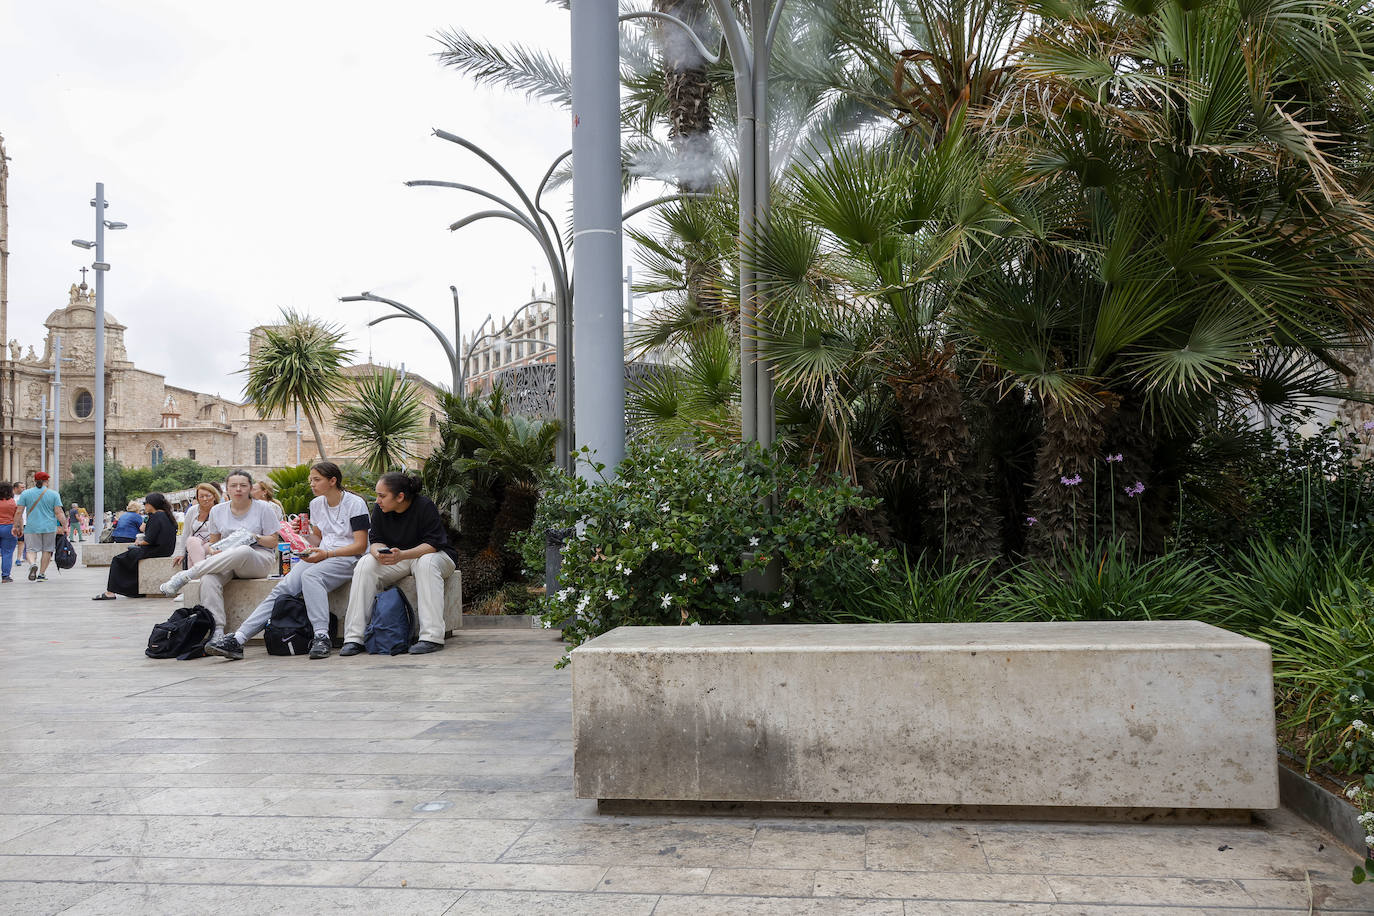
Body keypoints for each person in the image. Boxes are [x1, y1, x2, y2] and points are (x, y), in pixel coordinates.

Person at [206, 461, 370, 661]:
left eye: (317, 480)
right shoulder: (316, 504)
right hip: (321, 555)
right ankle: (239, 639)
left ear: (333, 481)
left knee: (311, 576)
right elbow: (318, 539)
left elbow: (360, 545)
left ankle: (321, 635)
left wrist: (325, 555)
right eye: (311, 480)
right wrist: (301, 535)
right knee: (283, 589)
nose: (312, 484)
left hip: (348, 557)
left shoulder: (355, 503)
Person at [339, 472, 457, 656]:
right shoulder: (380, 509)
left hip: (434, 555)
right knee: (365, 564)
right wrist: (378, 552)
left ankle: (431, 637)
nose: (377, 500)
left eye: (382, 495)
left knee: (425, 564)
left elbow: (434, 543)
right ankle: (355, 638)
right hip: (399, 557)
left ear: (400, 496)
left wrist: (403, 555)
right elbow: (375, 540)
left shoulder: (424, 506)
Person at [156, 470, 279, 638]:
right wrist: (213, 549)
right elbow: (213, 543)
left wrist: (254, 537)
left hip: (257, 559)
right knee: (208, 579)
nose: (238, 489)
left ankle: (188, 574)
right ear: (226, 489)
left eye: (243, 485)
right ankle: (217, 631)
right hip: (226, 560)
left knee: (243, 549)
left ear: (250, 488)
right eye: (233, 486)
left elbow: (273, 541)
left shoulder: (264, 508)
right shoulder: (218, 511)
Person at [94, 493, 177, 600]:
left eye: (145, 503)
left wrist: (138, 543)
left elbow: (148, 540)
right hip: (166, 550)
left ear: (151, 504)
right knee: (131, 559)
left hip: (155, 550)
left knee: (117, 560)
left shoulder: (155, 517)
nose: (144, 506)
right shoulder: (167, 515)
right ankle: (135, 590)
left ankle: (110, 592)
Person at [13, 471, 68, 581]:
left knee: (30, 550)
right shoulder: (54, 494)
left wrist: (15, 526)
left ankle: (33, 563)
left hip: (32, 527)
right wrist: (65, 526)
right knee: (47, 550)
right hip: (49, 527)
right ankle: (42, 574)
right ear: (46, 481)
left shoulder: (26, 494)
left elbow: (19, 511)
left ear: (34, 481)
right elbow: (59, 512)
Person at [172, 483, 220, 571]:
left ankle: (198, 572)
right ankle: (201, 570)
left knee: (192, 555)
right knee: (191, 541)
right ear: (197, 498)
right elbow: (185, 533)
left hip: (212, 544)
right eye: (201, 496)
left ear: (214, 496)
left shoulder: (220, 510)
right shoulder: (192, 511)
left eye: (208, 496)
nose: (205, 499)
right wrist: (181, 553)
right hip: (195, 543)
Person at [0, 483, 16, 583]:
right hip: (8, 528)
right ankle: (5, 576)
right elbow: (17, 516)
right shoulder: (12, 502)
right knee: (7, 553)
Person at [13, 481, 27, 565]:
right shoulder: (11, 498)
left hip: (24, 521)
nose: (24, 489)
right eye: (22, 487)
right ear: (15, 488)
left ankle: (19, 558)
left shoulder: (25, 497)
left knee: (21, 541)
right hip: (12, 522)